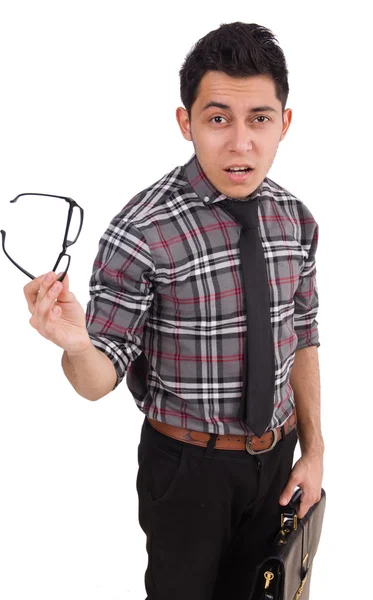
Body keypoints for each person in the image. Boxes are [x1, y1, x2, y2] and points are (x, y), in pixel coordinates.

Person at [23, 21, 324, 600]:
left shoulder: (296, 219)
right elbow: (97, 378)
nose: (240, 142)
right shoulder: (141, 232)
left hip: (281, 461)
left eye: (259, 118)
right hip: (189, 472)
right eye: (218, 119)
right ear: (186, 122)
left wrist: (313, 450)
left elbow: (304, 334)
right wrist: (78, 344)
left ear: (284, 123)